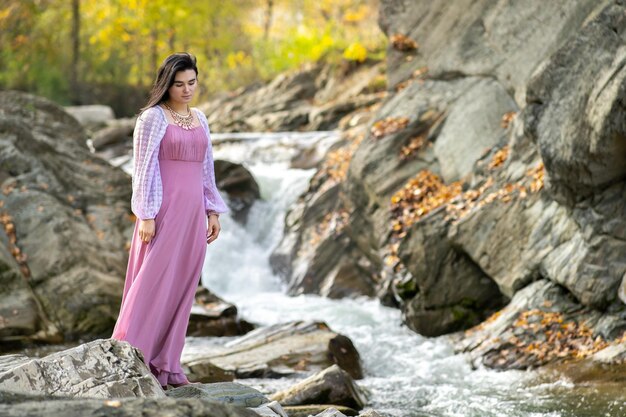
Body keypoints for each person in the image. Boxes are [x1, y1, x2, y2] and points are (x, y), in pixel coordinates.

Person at [111, 52, 229, 389]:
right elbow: (143, 168)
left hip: (193, 215)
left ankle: (167, 365)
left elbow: (207, 169)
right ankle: (132, 353)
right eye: (179, 84)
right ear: (167, 84)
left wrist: (212, 210)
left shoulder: (201, 118)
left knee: (182, 286)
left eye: (192, 82)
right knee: (152, 283)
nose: (187, 89)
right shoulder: (152, 118)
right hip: (163, 212)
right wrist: (145, 214)